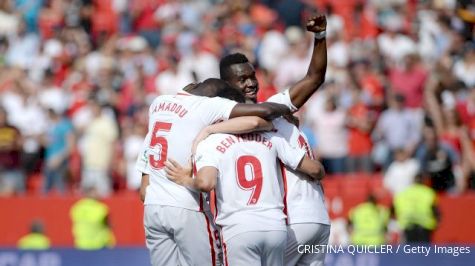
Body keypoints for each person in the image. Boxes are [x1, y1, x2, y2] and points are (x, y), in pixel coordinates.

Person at [136, 79, 293, 266]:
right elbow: (261, 117)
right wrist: (287, 111)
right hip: (187, 205)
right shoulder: (210, 105)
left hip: (153, 207)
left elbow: (143, 189)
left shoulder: (158, 103)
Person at [218, 14, 330, 266]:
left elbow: (314, 78)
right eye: (242, 79)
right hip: (300, 220)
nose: (251, 84)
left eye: (252, 76)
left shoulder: (274, 108)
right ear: (227, 85)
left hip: (290, 220)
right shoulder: (222, 120)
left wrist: (320, 37)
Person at [166, 117, 325, 266]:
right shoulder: (271, 134)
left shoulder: (211, 142)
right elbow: (317, 169)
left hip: (240, 227)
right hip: (281, 224)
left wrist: (185, 180)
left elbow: (205, 183)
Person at [393, 174, 439, 243]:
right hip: (425, 227)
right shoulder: (429, 192)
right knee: (424, 251)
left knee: (410, 251)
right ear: (423, 181)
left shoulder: (403, 193)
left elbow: (395, 209)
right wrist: (437, 222)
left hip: (408, 226)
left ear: (413, 181)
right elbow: (435, 210)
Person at [42, 108, 75, 194]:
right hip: (49, 160)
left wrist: (59, 158)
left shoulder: (65, 125)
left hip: (60, 161)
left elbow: (71, 145)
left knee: (61, 188)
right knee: (46, 189)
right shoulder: (51, 126)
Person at [0, 106, 24, 196]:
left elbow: (20, 144)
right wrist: (7, 145)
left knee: (13, 193)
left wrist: (7, 146)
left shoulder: (13, 129)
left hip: (11, 168)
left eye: (2, 116)